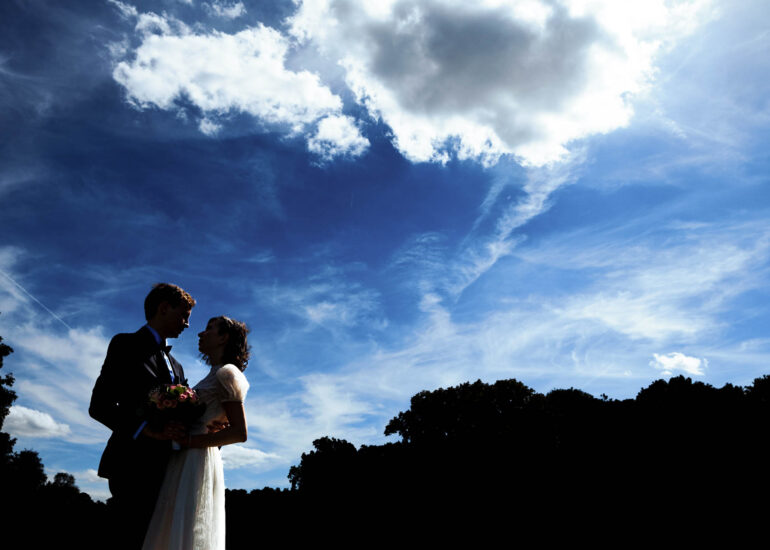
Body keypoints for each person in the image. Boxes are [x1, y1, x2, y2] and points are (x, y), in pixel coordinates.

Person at [89, 283, 196, 550]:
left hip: (171, 470)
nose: (187, 324)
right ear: (163, 308)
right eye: (184, 316)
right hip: (131, 467)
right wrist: (147, 430)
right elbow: (99, 406)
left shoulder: (178, 366)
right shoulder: (125, 344)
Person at [142, 315, 250, 550]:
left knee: (190, 525)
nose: (201, 333)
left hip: (197, 458)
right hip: (183, 456)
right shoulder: (213, 374)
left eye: (209, 328)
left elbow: (239, 432)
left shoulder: (227, 373)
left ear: (223, 338)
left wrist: (190, 440)